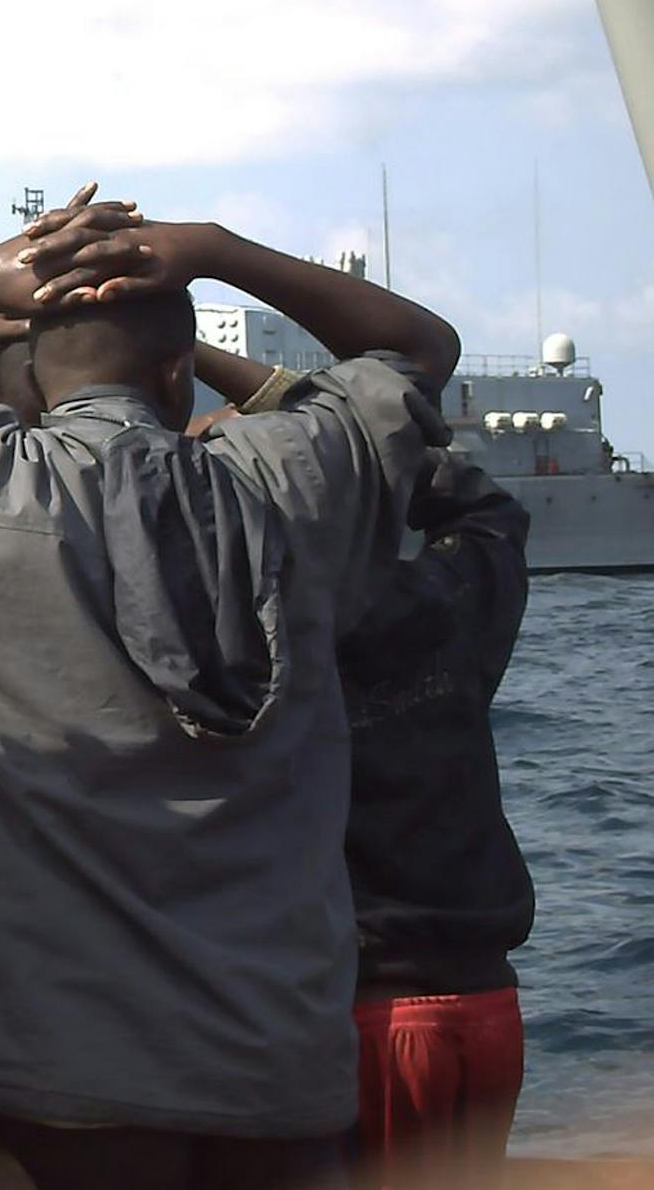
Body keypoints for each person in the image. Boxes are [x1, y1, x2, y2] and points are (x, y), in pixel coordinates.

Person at [0, 202, 460, 1190]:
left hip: (41, 1066)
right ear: (179, 371)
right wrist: (217, 250)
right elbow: (419, 344)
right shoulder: (298, 478)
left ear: (35, 376)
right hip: (277, 1062)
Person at [198, 346, 536, 1190]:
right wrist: (294, 403)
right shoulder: (457, 600)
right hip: (489, 1001)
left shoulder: (267, 637)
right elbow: (487, 507)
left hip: (365, 1012)